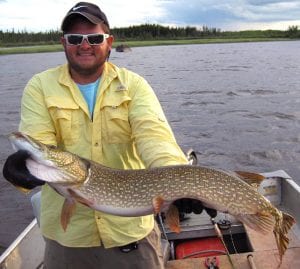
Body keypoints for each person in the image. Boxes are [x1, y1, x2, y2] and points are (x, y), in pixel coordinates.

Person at [3, 2, 209, 268]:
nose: (84, 45)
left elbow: (155, 138)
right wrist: (24, 170)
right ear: (63, 43)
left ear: (109, 42)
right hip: (68, 242)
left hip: (130, 238)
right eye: (75, 38)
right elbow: (39, 144)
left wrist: (180, 178)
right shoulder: (40, 86)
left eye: (94, 38)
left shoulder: (133, 85)